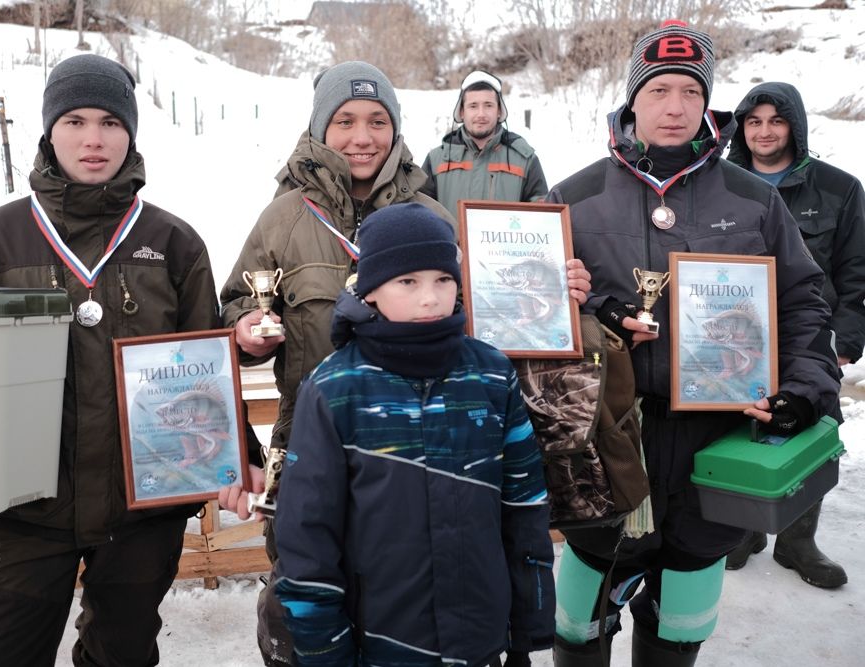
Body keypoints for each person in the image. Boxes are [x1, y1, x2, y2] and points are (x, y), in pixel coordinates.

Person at [0, 54, 243, 665]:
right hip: (23, 510)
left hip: (140, 511)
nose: (93, 139)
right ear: (48, 131)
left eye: (110, 122)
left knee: (121, 654)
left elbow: (206, 367)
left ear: (131, 133)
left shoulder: (174, 243)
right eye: (74, 120)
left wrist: (232, 463)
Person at [216, 61, 591, 666]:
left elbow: (481, 308)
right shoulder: (282, 218)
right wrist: (245, 334)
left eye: (377, 121)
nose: (361, 137)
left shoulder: (433, 212)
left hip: (439, 447)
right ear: (319, 127)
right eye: (344, 121)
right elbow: (236, 305)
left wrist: (551, 288)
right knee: (309, 596)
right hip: (314, 448)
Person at [544, 21, 841, 666]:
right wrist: (590, 307)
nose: (674, 107)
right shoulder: (576, 196)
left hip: (712, 441)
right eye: (657, 90)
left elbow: (803, 302)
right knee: (578, 614)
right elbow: (533, 313)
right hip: (608, 443)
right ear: (632, 100)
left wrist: (803, 392)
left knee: (683, 615)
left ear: (707, 102)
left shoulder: (753, 200)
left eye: (689, 90)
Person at [272, 202, 556, 667]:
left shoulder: (490, 374)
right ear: (371, 291)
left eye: (443, 280)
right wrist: (324, 649)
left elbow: (523, 506)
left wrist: (526, 626)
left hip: (478, 636)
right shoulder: (334, 388)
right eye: (408, 281)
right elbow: (307, 534)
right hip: (382, 639)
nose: (430, 298)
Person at [723, 81, 863, 587]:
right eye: (754, 121)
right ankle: (743, 531)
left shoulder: (839, 188)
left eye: (775, 121)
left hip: (811, 338)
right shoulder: (721, 183)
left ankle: (798, 542)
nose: (764, 132)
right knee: (739, 429)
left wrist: (844, 341)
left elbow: (856, 271)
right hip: (739, 341)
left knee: (812, 435)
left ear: (795, 127)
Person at [420, 70, 548, 217]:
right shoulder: (436, 160)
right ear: (461, 112)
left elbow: (541, 219)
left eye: (488, 105)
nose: (481, 114)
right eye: (473, 106)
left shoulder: (525, 160)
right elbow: (422, 217)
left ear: (499, 111)